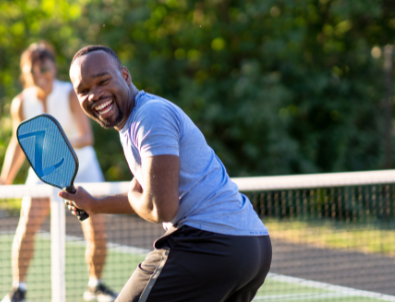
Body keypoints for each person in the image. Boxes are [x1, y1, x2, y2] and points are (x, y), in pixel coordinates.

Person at [60, 45, 272, 302]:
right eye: (83, 91)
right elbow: (147, 195)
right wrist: (94, 204)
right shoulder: (136, 121)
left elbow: (162, 208)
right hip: (251, 246)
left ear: (125, 76)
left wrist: (136, 194)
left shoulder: (149, 116)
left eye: (103, 81)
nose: (94, 94)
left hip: (210, 244)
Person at [0, 42, 118, 302]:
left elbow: (86, 137)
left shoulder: (70, 93)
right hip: (42, 171)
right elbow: (18, 142)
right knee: (27, 226)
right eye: (33, 70)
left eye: (45, 68)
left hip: (82, 167)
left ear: (53, 67)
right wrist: (5, 179)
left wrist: (56, 145)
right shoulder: (20, 103)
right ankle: (19, 289)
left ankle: (95, 285)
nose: (40, 74)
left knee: (95, 229)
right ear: (25, 73)